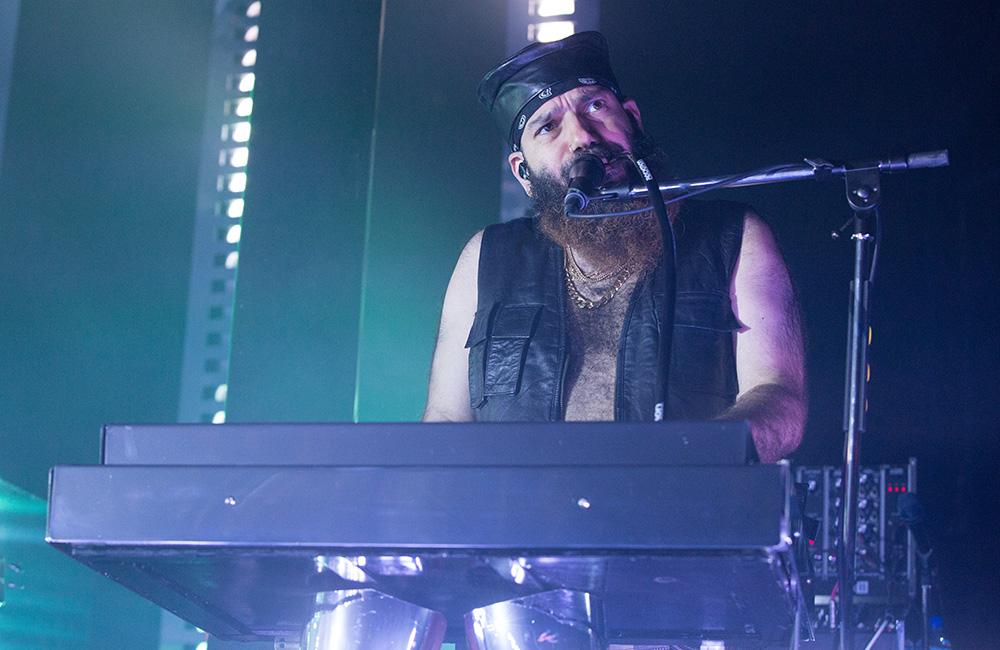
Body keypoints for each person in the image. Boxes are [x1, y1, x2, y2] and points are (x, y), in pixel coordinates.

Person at [422, 31, 805, 463]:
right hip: (516, 504)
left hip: (677, 500)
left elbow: (779, 398)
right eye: (548, 127)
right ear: (523, 172)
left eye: (595, 106)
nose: (582, 136)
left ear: (632, 118)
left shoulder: (733, 237)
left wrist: (682, 464)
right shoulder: (485, 258)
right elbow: (445, 420)